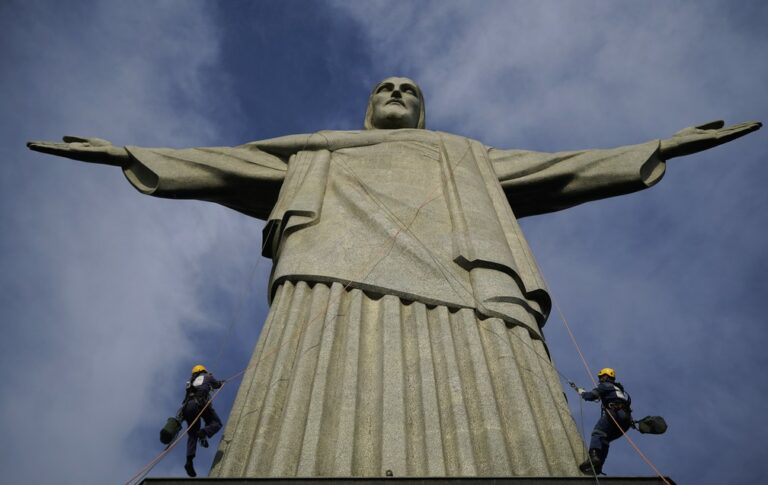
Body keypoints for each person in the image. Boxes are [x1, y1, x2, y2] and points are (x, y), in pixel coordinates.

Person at [27, 78, 760, 477]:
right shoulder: (319, 149)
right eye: (386, 86)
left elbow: (566, 169)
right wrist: (129, 153)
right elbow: (223, 164)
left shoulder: (466, 154)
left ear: (423, 109)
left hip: (473, 293)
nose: (398, 91)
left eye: (410, 88)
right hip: (326, 283)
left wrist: (659, 147)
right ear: (368, 107)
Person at [573, 368, 633, 475]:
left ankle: (593, 457)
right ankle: (598, 467)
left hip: (614, 414)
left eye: (601, 377)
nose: (600, 380)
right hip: (626, 421)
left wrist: (582, 392)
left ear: (606, 376)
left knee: (598, 433)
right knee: (605, 440)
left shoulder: (605, 386)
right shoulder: (620, 390)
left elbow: (591, 396)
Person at [181, 364, 223, 478]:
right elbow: (217, 385)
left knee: (192, 434)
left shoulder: (190, 382)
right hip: (200, 404)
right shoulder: (207, 376)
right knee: (216, 423)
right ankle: (203, 432)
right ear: (203, 370)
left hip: (187, 408)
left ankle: (189, 461)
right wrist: (221, 383)